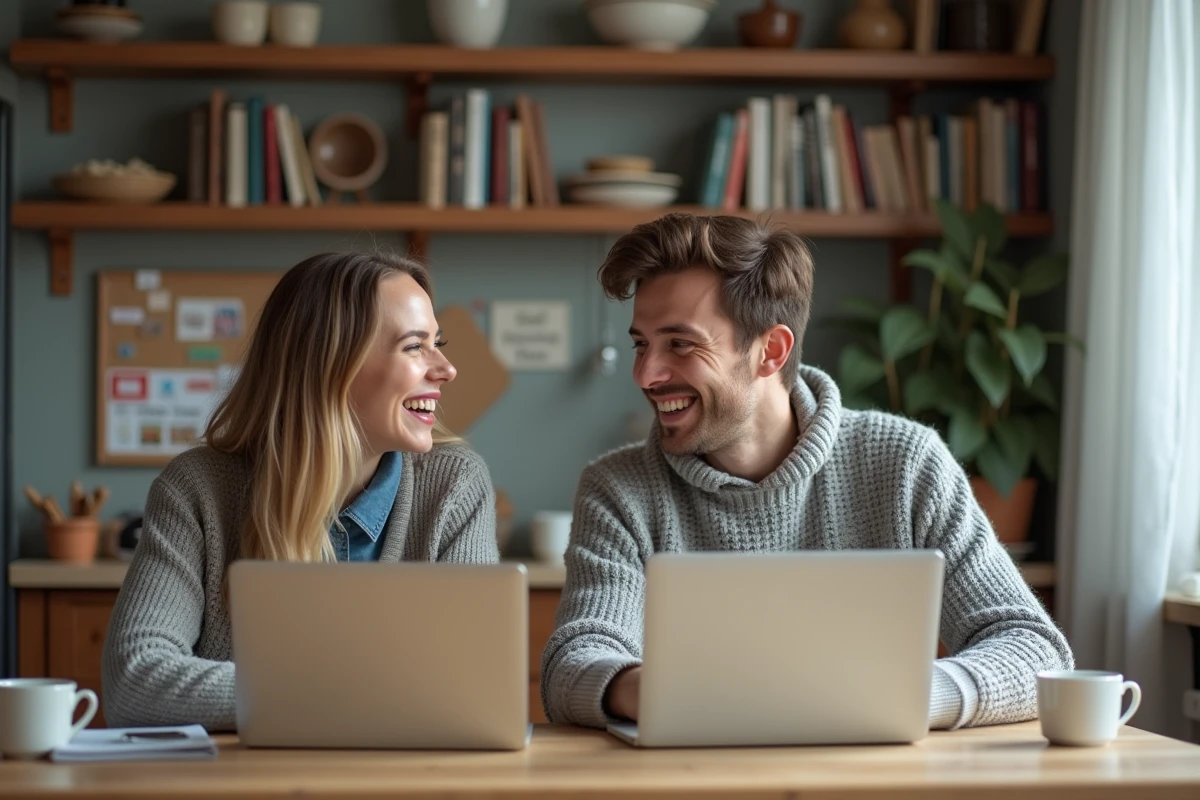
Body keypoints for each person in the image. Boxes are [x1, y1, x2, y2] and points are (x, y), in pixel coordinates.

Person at [540, 213, 1073, 731]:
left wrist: (909, 696)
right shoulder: (618, 489)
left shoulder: (905, 464)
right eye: (642, 344)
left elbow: (1033, 647)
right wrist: (654, 690)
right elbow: (574, 662)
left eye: (680, 344)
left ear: (770, 350)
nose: (646, 374)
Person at [103, 251, 499, 730]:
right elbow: (136, 681)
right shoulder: (196, 490)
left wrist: (285, 697)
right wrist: (360, 696)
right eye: (415, 347)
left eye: (439, 343)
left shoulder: (455, 486)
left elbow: (467, 688)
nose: (446, 369)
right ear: (331, 365)